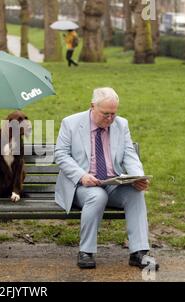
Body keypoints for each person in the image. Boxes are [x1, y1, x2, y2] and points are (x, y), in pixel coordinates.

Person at [54, 87, 159, 270]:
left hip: (111, 183)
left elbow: (129, 154)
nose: (110, 119)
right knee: (97, 196)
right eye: (105, 114)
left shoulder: (121, 124)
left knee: (136, 194)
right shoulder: (70, 123)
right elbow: (61, 155)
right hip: (82, 186)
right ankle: (86, 252)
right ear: (92, 106)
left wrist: (137, 177)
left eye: (113, 113)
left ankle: (139, 252)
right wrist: (82, 176)